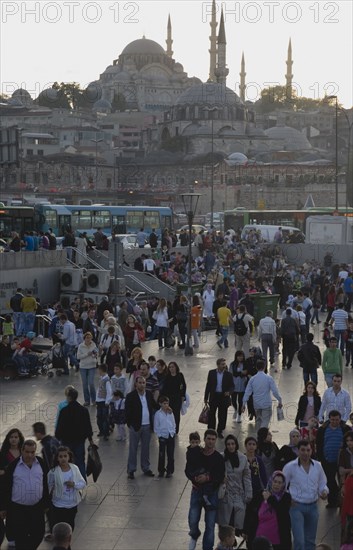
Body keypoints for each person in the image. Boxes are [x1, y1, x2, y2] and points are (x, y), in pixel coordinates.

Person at [0, 439, 50, 550]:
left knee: (38, 534)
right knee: (20, 538)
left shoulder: (41, 463)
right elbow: (5, 488)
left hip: (36, 508)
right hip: (18, 509)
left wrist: (46, 503)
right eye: (27, 452)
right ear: (22, 450)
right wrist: (3, 508)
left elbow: (46, 484)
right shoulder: (13, 466)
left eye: (32, 452)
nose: (30, 455)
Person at [283, 439, 328, 550]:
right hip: (296, 507)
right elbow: (281, 485)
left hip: (313, 506)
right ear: (298, 451)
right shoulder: (290, 467)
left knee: (310, 540)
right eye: (303, 450)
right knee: (299, 540)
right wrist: (288, 498)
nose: (305, 453)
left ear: (311, 451)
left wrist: (324, 491)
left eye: (308, 450)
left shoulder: (318, 466)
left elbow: (322, 483)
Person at [185, 429, 225, 550]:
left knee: (210, 524)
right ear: (204, 439)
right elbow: (188, 469)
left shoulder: (218, 457)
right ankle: (194, 534)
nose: (211, 441)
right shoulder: (197, 453)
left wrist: (207, 478)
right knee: (193, 518)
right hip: (197, 490)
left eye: (213, 439)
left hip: (211, 493)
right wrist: (195, 478)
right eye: (209, 439)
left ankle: (207, 547)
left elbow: (220, 475)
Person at [217, 435, 252, 537]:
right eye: (228, 444)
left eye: (232, 444)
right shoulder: (221, 457)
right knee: (224, 527)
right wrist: (220, 479)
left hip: (239, 495)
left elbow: (247, 477)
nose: (230, 446)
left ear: (236, 445)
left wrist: (248, 494)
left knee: (237, 527)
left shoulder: (243, 458)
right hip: (225, 495)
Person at [55, 388, 94, 480]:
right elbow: (88, 425)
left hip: (66, 441)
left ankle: (69, 479)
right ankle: (81, 480)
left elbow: (59, 427)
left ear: (69, 397)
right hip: (79, 440)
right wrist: (90, 439)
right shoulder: (83, 410)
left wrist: (57, 438)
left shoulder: (64, 411)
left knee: (67, 461)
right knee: (80, 461)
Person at [316, 410, 351, 508]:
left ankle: (343, 502)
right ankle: (333, 501)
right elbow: (318, 444)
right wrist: (321, 457)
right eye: (332, 420)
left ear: (340, 419)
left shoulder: (345, 429)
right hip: (327, 460)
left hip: (342, 461)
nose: (334, 422)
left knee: (343, 481)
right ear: (329, 419)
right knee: (330, 480)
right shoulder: (322, 429)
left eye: (337, 420)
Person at [47, 446, 86, 534]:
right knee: (59, 528)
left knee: (70, 526)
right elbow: (49, 486)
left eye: (65, 456)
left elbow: (82, 483)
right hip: (58, 505)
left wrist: (74, 484)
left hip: (72, 504)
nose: (63, 459)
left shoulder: (74, 468)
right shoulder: (53, 472)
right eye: (60, 456)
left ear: (69, 457)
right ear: (57, 458)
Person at [125, 376, 157, 479]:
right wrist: (130, 424)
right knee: (133, 449)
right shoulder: (131, 396)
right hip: (136, 426)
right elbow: (127, 411)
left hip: (147, 425)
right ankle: (131, 469)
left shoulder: (148, 394)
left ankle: (146, 467)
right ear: (136, 384)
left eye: (143, 383)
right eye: (140, 382)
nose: (142, 384)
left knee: (145, 448)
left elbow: (154, 405)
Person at [255, 471, 292, 550]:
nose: (276, 485)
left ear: (283, 485)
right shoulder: (261, 494)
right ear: (271, 481)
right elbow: (252, 513)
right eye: (275, 481)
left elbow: (282, 512)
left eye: (279, 483)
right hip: (261, 539)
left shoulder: (286, 497)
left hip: (279, 540)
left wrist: (270, 499)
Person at [242, 360, 282, 431]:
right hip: (266, 403)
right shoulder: (269, 378)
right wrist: (280, 400)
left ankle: (258, 436)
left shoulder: (252, 379)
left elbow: (247, 392)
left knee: (258, 420)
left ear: (256, 368)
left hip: (256, 404)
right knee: (265, 421)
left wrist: (243, 404)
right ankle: (263, 435)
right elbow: (275, 391)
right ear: (264, 367)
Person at [243, 436, 268, 549]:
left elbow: (263, 477)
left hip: (256, 494)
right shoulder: (242, 458)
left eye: (253, 444)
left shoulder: (258, 460)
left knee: (254, 519)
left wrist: (266, 491)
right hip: (243, 493)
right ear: (246, 445)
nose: (251, 446)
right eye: (249, 444)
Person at [204, 358, 234, 438]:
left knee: (222, 415)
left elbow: (232, 386)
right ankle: (211, 430)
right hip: (214, 396)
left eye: (224, 364)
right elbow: (208, 385)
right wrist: (206, 397)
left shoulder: (228, 374)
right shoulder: (211, 373)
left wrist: (229, 392)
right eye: (222, 364)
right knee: (211, 414)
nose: (224, 366)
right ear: (218, 365)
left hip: (223, 397)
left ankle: (220, 430)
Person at [154, 395, 176, 478]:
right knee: (161, 454)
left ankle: (169, 470)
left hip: (170, 435)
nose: (166, 405)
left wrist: (173, 432)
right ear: (160, 404)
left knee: (170, 454)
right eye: (164, 403)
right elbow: (156, 426)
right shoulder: (158, 414)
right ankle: (161, 470)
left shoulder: (171, 413)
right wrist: (159, 435)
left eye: (167, 403)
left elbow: (173, 423)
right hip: (163, 436)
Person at [76, 332, 98, 406]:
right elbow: (78, 357)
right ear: (84, 338)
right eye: (87, 338)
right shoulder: (80, 346)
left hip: (92, 366)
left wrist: (94, 355)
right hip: (83, 367)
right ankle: (87, 400)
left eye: (90, 338)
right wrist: (87, 354)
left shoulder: (94, 345)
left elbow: (96, 355)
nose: (88, 339)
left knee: (91, 383)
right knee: (85, 384)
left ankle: (94, 400)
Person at [229, 350, 248, 423]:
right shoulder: (232, 364)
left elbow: (246, 372)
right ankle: (236, 410)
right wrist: (241, 372)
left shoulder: (245, 364)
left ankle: (239, 416)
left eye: (241, 356)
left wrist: (242, 373)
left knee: (240, 401)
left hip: (242, 385)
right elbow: (231, 373)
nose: (240, 357)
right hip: (234, 385)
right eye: (239, 356)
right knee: (233, 400)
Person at [96, 363, 112, 440]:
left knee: (105, 418)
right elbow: (98, 390)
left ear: (101, 370)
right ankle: (101, 431)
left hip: (104, 402)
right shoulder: (101, 378)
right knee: (99, 417)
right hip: (99, 401)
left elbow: (109, 392)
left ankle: (106, 433)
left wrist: (107, 401)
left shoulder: (107, 380)